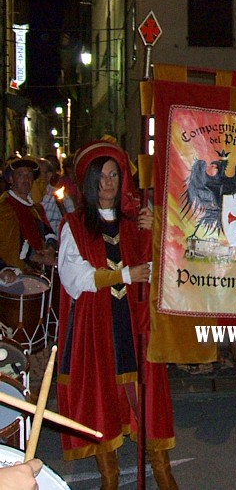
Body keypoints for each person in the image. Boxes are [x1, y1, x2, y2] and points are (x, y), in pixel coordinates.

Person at [57, 140, 178, 489]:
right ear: (89, 182)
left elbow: (161, 270)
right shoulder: (74, 225)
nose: (108, 183)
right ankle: (109, 478)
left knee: (148, 399)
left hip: (135, 324)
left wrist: (155, 231)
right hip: (96, 328)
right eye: (101, 176)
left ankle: (163, 472)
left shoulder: (136, 221)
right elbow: (75, 278)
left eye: (114, 175)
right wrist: (125, 274)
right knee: (102, 400)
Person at [0, 157, 57, 271]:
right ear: (11, 179)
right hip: (14, 274)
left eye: (29, 175)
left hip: (37, 271)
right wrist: (37, 257)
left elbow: (48, 232)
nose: (26, 179)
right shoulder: (5, 207)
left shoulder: (36, 208)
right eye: (20, 174)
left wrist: (50, 249)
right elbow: (10, 244)